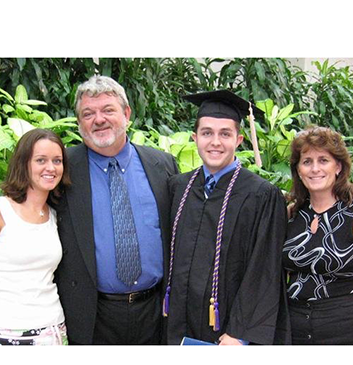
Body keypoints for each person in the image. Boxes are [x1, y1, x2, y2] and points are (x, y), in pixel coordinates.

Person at [54, 75, 179, 345]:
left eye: (108, 110)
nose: (98, 119)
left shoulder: (163, 166)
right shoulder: (62, 170)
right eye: (88, 113)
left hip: (155, 312)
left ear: (126, 113)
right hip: (92, 315)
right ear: (79, 122)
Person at [163, 90, 291, 345]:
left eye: (225, 134)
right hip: (177, 324)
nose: (215, 142)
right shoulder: (178, 187)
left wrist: (240, 333)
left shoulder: (262, 195)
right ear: (194, 137)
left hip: (229, 333)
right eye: (207, 133)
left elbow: (264, 270)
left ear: (239, 139)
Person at [0, 128, 71, 345]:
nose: (51, 168)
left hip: (54, 330)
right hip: (9, 332)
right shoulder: (3, 210)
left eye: (57, 161)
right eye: (41, 160)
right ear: (24, 164)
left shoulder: (55, 216)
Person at [283, 126, 353, 345]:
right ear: (298, 170)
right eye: (307, 162)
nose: (315, 169)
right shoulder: (290, 215)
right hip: (293, 330)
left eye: (323, 160)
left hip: (342, 329)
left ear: (338, 166)